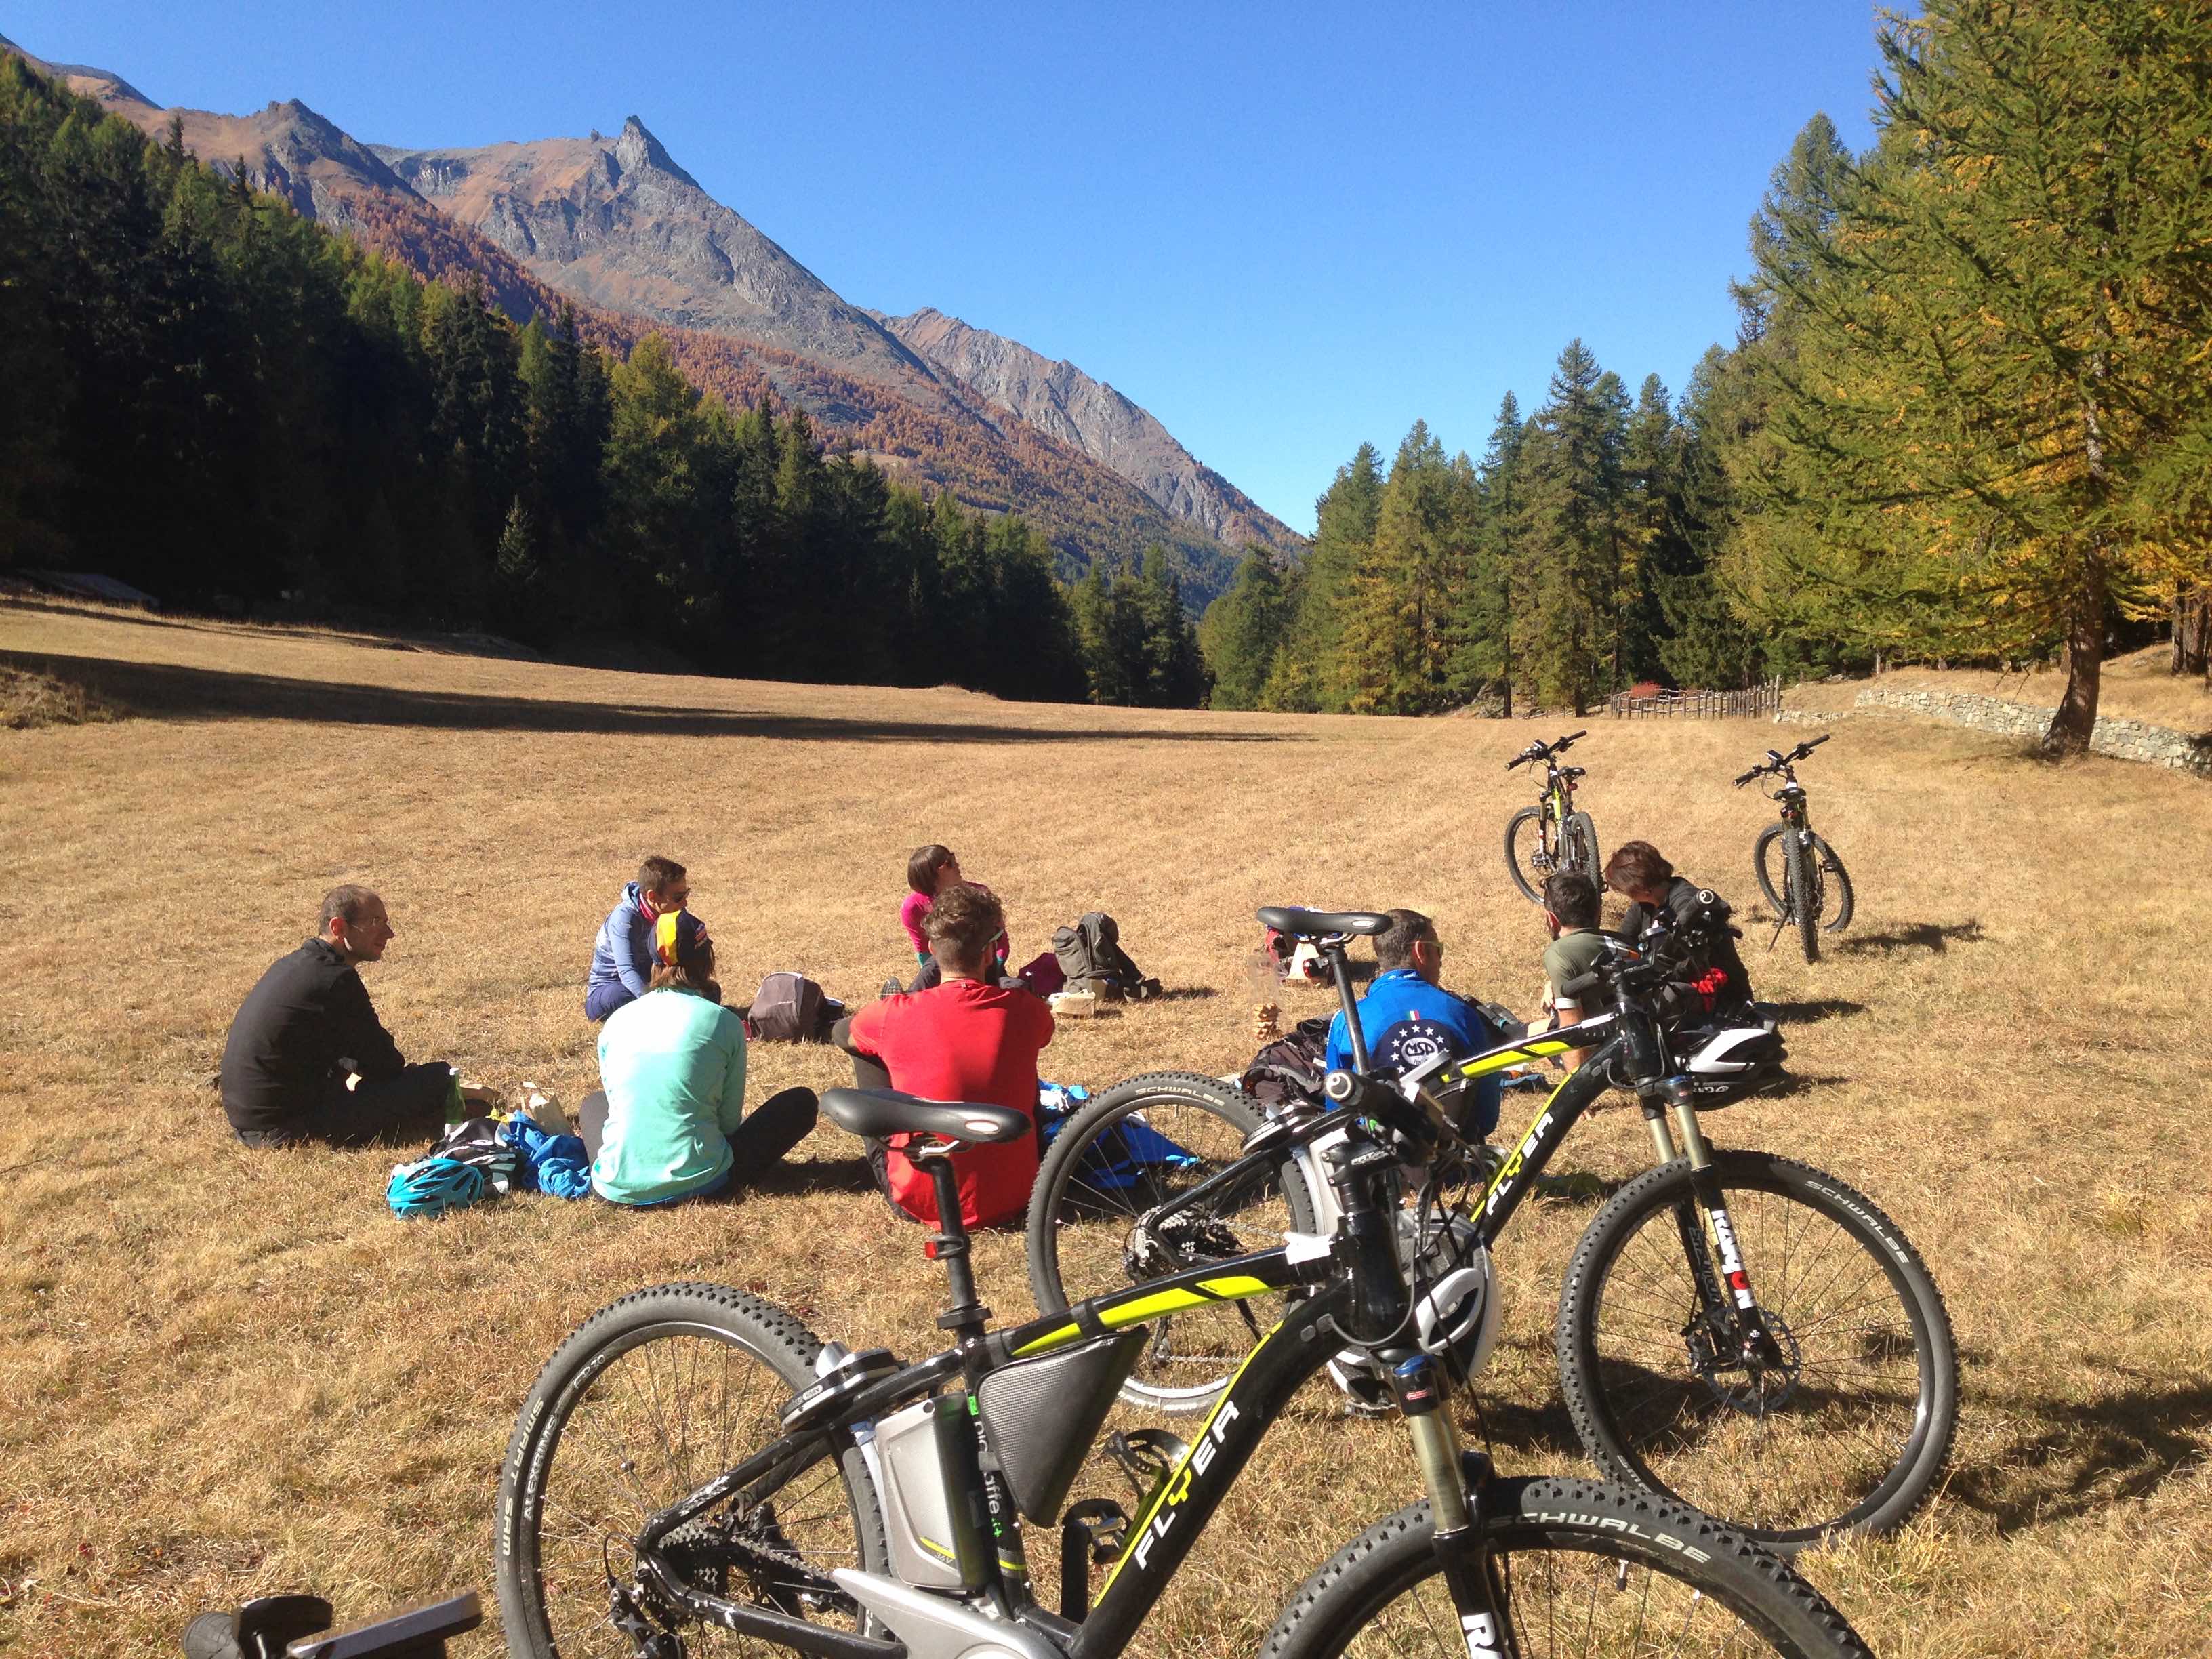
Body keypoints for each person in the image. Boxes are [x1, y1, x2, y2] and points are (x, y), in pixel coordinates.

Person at [840, 882, 1054, 1228]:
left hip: (922, 1200)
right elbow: (1042, 1034)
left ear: (932, 949)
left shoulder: (896, 1013)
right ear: (990, 953)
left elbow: (843, 1035)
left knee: (865, 1048)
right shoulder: (1026, 1010)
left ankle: (895, 1151)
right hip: (1020, 1195)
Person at [580, 909, 819, 1206]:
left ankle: (630, 1172)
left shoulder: (616, 1022)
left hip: (614, 1191)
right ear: (707, 959)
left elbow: (616, 1102)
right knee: (801, 1102)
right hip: (705, 1182)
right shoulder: (722, 1021)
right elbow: (728, 1124)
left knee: (594, 1104)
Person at [220, 886, 461, 1147]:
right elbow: (385, 1064)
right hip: (286, 1128)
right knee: (438, 1078)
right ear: (339, 927)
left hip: (252, 1118)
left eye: (386, 922)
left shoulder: (294, 965)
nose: (389, 933)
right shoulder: (335, 980)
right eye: (375, 922)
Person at [1323, 909, 1502, 1139]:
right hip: (1455, 1154)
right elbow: (1487, 1117)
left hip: (1378, 1157)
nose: (1441, 960)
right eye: (1438, 949)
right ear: (1421, 952)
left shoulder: (1346, 1020)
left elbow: (1337, 1117)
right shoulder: (1463, 1014)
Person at [1603, 841, 1756, 1011]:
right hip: (1673, 984)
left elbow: (1687, 960)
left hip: (1716, 994)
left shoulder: (1686, 902)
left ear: (1640, 886)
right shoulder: (1643, 906)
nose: (1626, 894)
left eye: (1625, 889)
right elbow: (1622, 941)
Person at [586, 855, 690, 1023]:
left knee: (709, 991)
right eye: (678, 897)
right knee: (621, 997)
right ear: (652, 897)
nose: (685, 903)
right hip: (613, 987)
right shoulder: (624, 919)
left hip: (654, 982)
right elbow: (628, 972)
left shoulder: (674, 911)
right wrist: (661, 1006)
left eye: (686, 894)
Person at [896, 844, 1009, 994]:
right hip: (944, 966)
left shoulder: (979, 895)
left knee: (1013, 986)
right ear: (934, 874)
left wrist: (997, 962)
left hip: (983, 962)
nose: (957, 865)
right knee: (933, 965)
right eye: (949, 863)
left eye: (953, 858)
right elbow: (923, 950)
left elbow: (1000, 936)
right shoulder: (914, 906)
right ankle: (903, 999)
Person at [1540, 871, 1608, 1069]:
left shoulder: (1559, 954)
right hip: (1637, 1042)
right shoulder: (1621, 940)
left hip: (1602, 1055)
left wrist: (1577, 1079)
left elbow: (1572, 1030)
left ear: (1551, 919)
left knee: (1522, 1035)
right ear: (1598, 911)